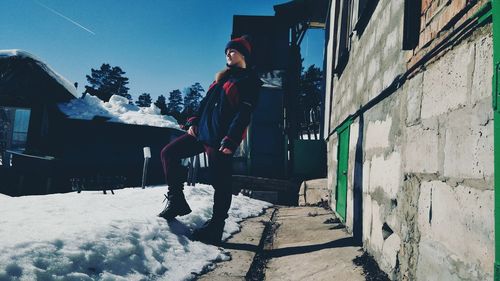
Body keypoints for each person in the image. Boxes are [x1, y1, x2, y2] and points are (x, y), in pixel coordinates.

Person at [158, 35, 262, 244]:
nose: (228, 54)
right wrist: (193, 122)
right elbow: (204, 104)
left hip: (220, 139)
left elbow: (244, 113)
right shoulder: (220, 79)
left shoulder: (250, 81)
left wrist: (231, 139)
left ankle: (216, 227)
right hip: (201, 133)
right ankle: (176, 200)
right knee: (168, 153)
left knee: (220, 182)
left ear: (243, 54)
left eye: (232, 51)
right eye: (226, 52)